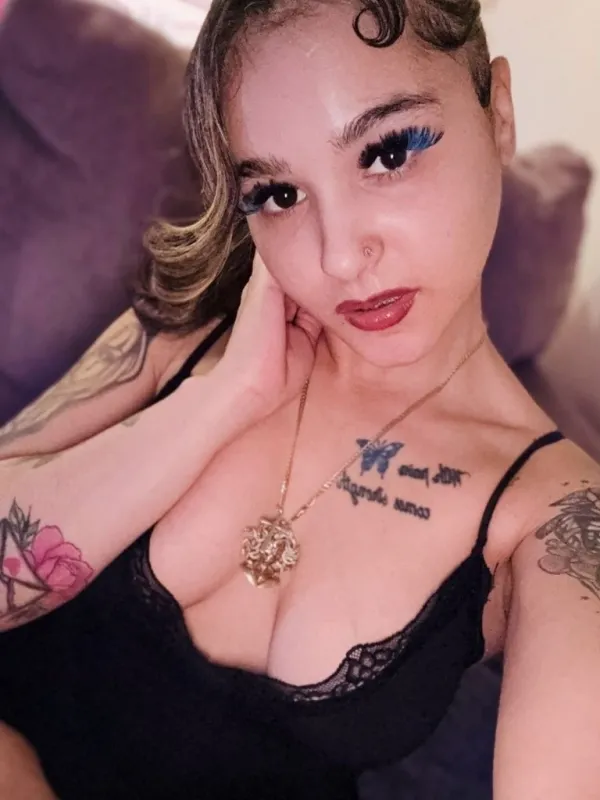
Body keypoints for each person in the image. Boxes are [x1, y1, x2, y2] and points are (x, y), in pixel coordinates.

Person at [1, 1, 599, 798]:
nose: (340, 256)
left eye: (388, 152)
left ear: (499, 115)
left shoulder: (557, 517)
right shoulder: (182, 331)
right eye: (279, 193)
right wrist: (219, 401)